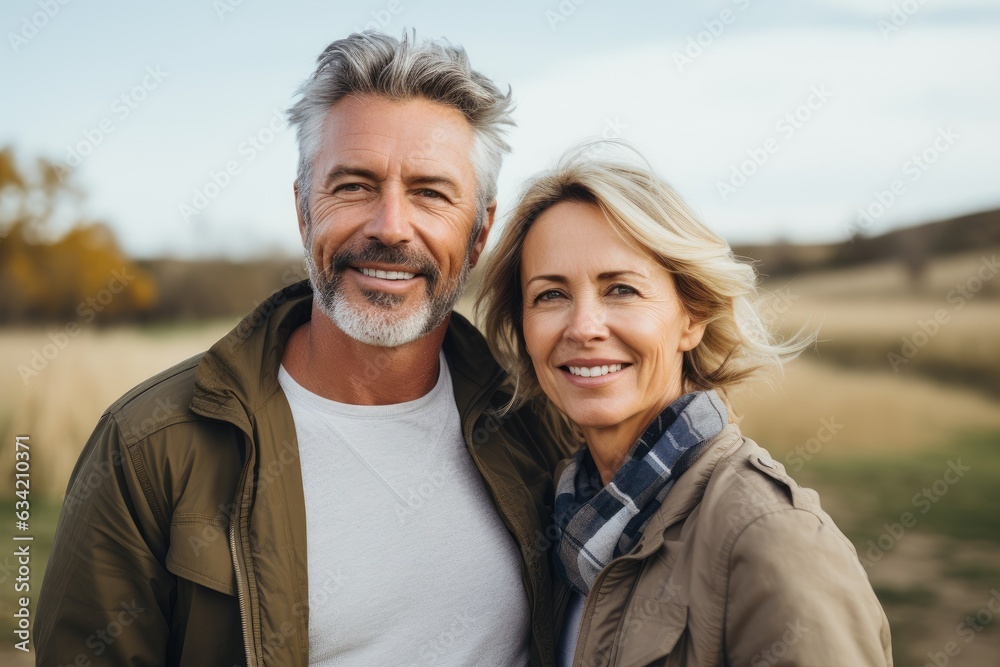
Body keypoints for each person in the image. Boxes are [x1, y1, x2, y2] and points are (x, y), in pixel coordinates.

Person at [35, 31, 573, 666]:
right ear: (303, 210)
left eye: (430, 192)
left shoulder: (545, 423)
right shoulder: (150, 446)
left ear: (480, 232)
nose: (390, 227)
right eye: (353, 186)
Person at [477, 143, 893, 666]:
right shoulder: (563, 519)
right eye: (551, 295)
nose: (583, 327)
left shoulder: (770, 540)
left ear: (691, 317)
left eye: (622, 289)